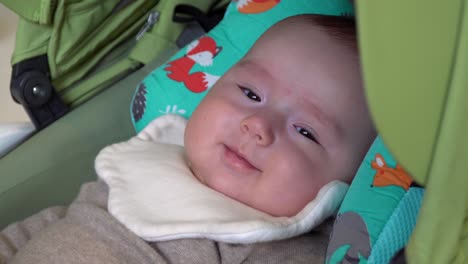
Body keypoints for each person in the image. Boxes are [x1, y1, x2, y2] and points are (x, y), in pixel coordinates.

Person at [0, 14, 375, 264]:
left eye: (306, 131)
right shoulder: (145, 163)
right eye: (250, 93)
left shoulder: (278, 244)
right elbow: (48, 224)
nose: (257, 125)